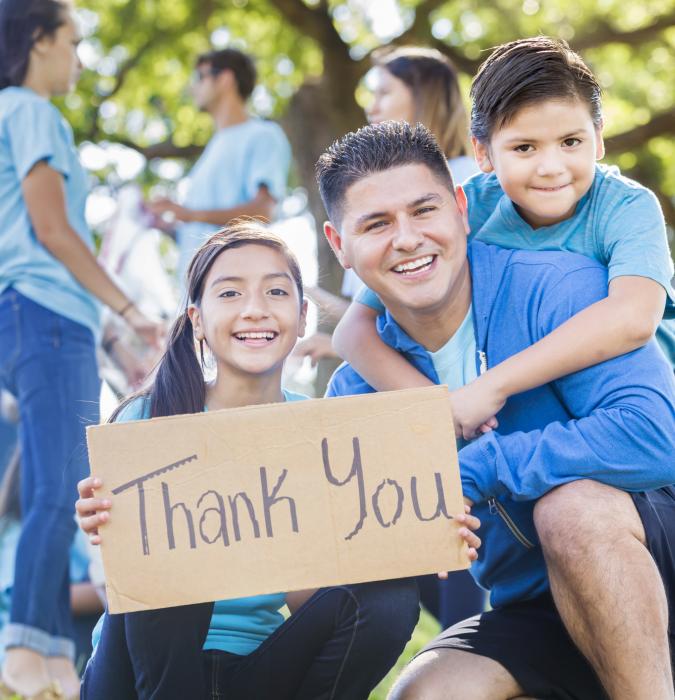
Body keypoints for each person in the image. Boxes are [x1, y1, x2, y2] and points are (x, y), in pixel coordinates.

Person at [316, 120, 675, 699]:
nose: (406, 239)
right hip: (537, 609)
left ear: (461, 208)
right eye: (376, 224)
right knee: (428, 692)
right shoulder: (357, 392)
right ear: (340, 245)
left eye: (423, 210)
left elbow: (655, 436)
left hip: (655, 557)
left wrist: (479, 467)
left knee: (572, 510)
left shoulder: (558, 288)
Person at [75, 223, 481, 699]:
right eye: (229, 293)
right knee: (172, 559)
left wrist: (407, 541)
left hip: (255, 667)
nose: (255, 309)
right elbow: (121, 582)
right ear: (198, 319)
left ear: (303, 315)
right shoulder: (149, 418)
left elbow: (305, 598)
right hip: (138, 675)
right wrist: (103, 524)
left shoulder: (318, 432)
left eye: (275, 291)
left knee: (388, 597)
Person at [332, 36, 675, 442]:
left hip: (623, 407)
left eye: (571, 142)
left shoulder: (625, 207)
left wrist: (491, 387)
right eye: (524, 147)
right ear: (483, 154)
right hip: (527, 409)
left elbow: (634, 318)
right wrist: (440, 408)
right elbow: (352, 332)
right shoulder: (470, 208)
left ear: (598, 138)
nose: (551, 167)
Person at [0, 1, 161, 697]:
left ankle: (47, 660)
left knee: (49, 484)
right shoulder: (31, 109)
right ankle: (29, 651)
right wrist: (128, 311)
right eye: (71, 41)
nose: (77, 57)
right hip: (47, 312)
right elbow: (56, 230)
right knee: (60, 486)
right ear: (39, 40)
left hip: (30, 314)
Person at [147, 47, 291, 281]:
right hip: (197, 295)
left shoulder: (263, 135)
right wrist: (170, 227)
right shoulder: (211, 149)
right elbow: (202, 230)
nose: (193, 87)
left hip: (233, 288)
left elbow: (263, 212)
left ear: (225, 79)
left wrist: (190, 214)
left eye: (200, 77)